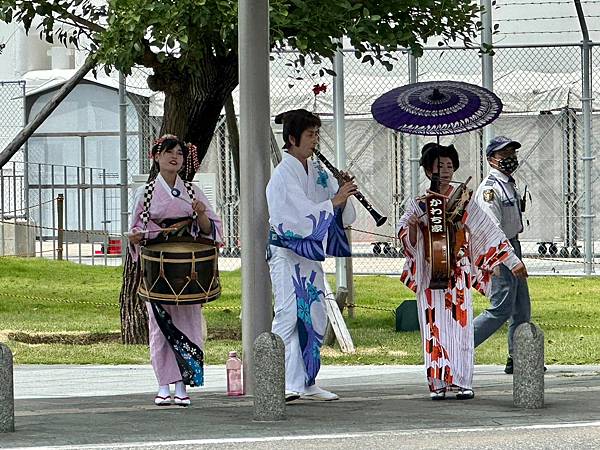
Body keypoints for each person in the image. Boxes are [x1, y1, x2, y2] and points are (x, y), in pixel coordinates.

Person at [397, 142, 526, 400]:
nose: (445, 171)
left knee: (460, 326)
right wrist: (412, 226)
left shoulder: (464, 202)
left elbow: (487, 230)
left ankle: (462, 380)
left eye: (449, 165)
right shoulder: (418, 204)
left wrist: (511, 260)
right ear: (427, 170)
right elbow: (404, 237)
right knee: (434, 326)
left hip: (457, 270)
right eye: (438, 165)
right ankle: (437, 382)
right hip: (429, 270)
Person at [266, 109, 357, 402]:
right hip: (286, 252)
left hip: (308, 254)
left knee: (314, 314)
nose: (315, 140)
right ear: (292, 139)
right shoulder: (282, 175)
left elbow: (337, 210)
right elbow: (296, 218)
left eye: (317, 133)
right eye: (309, 134)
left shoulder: (317, 171)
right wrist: (335, 201)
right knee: (288, 314)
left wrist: (342, 192)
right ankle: (277, 381)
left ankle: (306, 381)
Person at [128, 134, 223, 406]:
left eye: (179, 154)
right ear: (156, 157)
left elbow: (210, 230)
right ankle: (162, 385)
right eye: (169, 152)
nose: (174, 157)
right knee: (159, 327)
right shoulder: (145, 193)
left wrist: (201, 214)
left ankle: (182, 384)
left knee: (189, 324)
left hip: (186, 269)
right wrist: (136, 237)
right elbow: (137, 229)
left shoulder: (192, 191)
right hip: (157, 268)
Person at [473, 136, 537, 374]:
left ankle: (518, 357)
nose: (510, 158)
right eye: (504, 154)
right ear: (491, 159)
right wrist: (510, 260)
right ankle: (461, 346)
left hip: (512, 244)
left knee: (521, 307)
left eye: (512, 153)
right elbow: (492, 229)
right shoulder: (490, 189)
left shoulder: (508, 183)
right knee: (501, 307)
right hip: (500, 249)